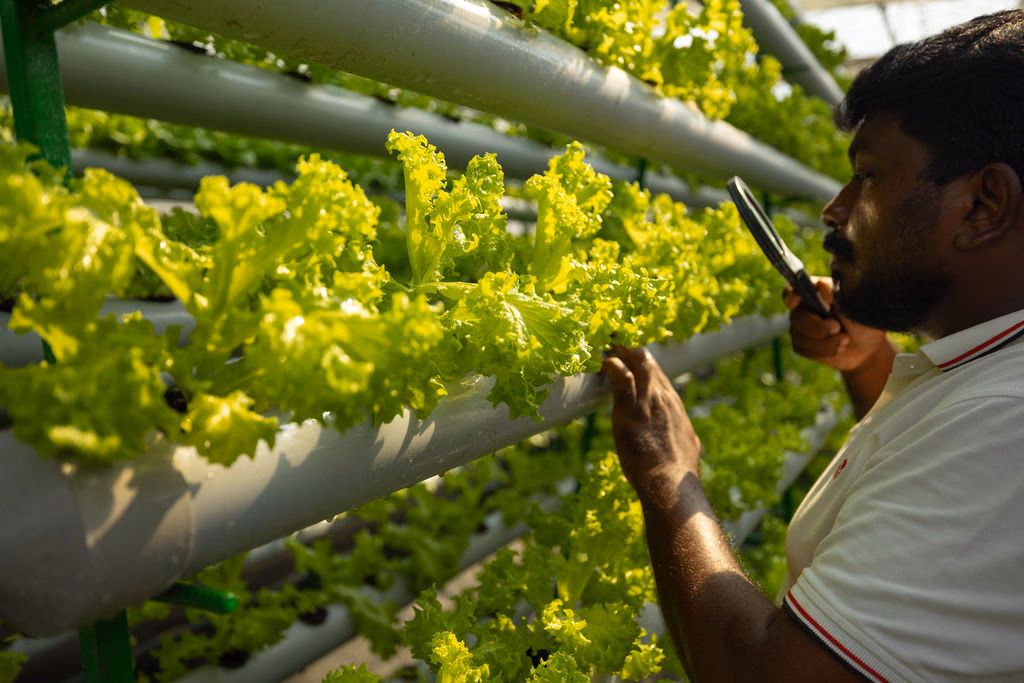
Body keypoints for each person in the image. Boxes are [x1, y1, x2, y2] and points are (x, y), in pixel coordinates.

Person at [602, 9, 1024, 682]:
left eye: (870, 174)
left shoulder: (1006, 426)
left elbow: (765, 675)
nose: (835, 207)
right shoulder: (987, 371)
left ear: (983, 205)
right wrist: (869, 364)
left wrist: (669, 479)